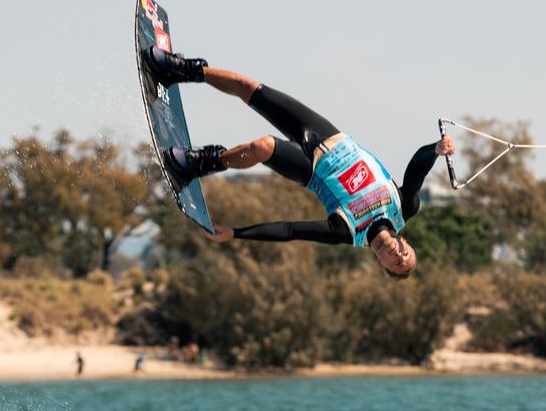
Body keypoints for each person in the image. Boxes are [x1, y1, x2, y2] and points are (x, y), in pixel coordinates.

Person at [142, 48, 455, 279]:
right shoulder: (403, 208)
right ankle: (181, 70)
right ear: (406, 243)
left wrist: (236, 234)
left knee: (261, 146)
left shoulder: (346, 233)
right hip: (328, 136)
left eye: (397, 264)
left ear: (381, 264)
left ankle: (205, 162)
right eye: (406, 256)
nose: (399, 257)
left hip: (310, 169)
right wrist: (435, 149)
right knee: (250, 88)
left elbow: (290, 230)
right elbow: (416, 169)